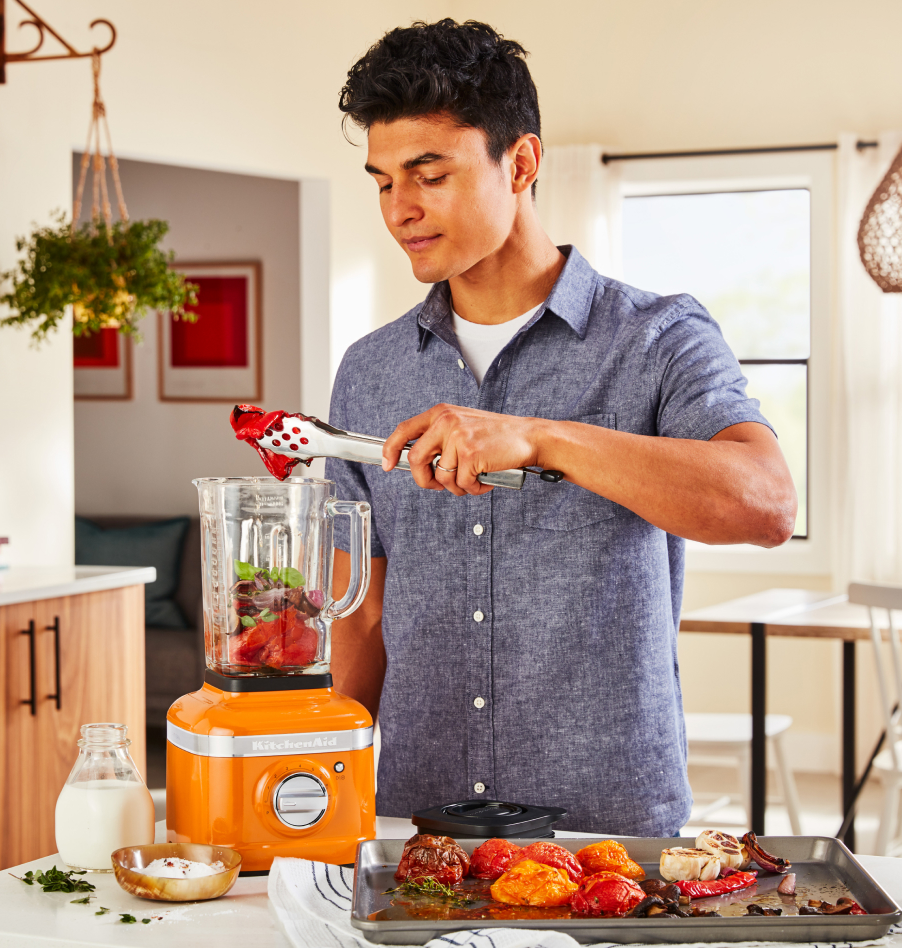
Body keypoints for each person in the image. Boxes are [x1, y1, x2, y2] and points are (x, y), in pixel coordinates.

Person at [325, 20, 797, 837]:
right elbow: (362, 612)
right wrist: (324, 783)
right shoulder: (369, 372)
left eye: (429, 175)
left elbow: (765, 505)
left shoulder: (657, 338)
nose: (399, 209)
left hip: (609, 833)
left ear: (522, 162)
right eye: (382, 181)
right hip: (417, 825)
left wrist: (545, 439)